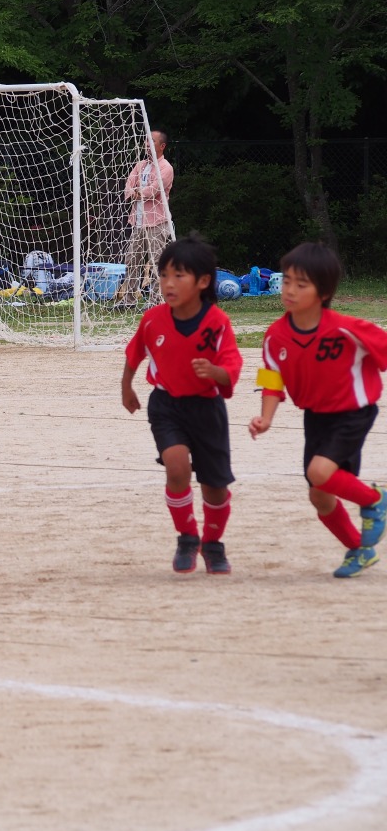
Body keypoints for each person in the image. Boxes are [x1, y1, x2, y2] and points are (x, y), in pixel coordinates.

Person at [249, 241, 387, 578]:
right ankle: (359, 550)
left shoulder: (346, 329)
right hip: (316, 418)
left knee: (319, 472)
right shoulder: (275, 336)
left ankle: (376, 499)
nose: (290, 290)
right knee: (320, 496)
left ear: (323, 292)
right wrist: (266, 417)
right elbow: (271, 378)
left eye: (301, 284)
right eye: (286, 281)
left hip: (353, 413)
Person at [120, 236, 243, 574]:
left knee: (215, 487)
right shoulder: (152, 319)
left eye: (178, 276)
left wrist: (216, 372)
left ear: (203, 281)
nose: (168, 283)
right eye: (163, 275)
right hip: (166, 405)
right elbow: (134, 354)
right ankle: (187, 537)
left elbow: (232, 364)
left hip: (207, 409)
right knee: (176, 468)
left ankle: (213, 544)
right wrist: (126, 387)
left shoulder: (217, 322)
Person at [115, 130, 174, 308]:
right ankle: (129, 300)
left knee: (157, 262)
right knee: (132, 260)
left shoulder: (166, 168)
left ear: (162, 146)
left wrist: (138, 192)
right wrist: (135, 192)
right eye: (146, 141)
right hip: (138, 222)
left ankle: (155, 301)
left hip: (157, 222)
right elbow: (128, 185)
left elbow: (153, 190)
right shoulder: (140, 165)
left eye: (151, 141)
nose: (147, 145)